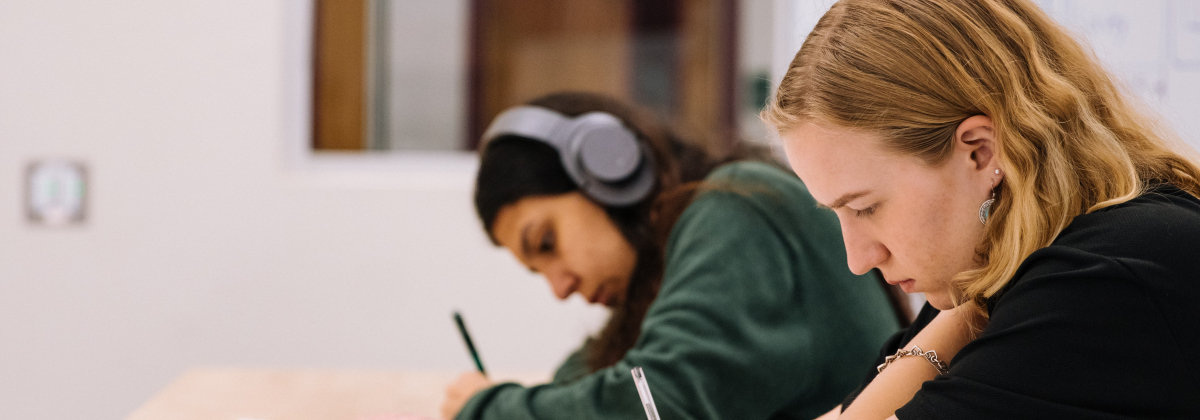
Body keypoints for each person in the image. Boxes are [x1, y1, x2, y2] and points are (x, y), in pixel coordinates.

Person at [761, 0, 1200, 419]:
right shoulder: (988, 268)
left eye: (866, 208)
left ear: (982, 152)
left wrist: (964, 313)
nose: (859, 260)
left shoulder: (1105, 278)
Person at [440, 92, 905, 420]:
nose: (560, 288)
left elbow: (656, 406)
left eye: (546, 243)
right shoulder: (669, 263)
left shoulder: (738, 209)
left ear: (608, 167)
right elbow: (580, 386)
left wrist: (484, 409)